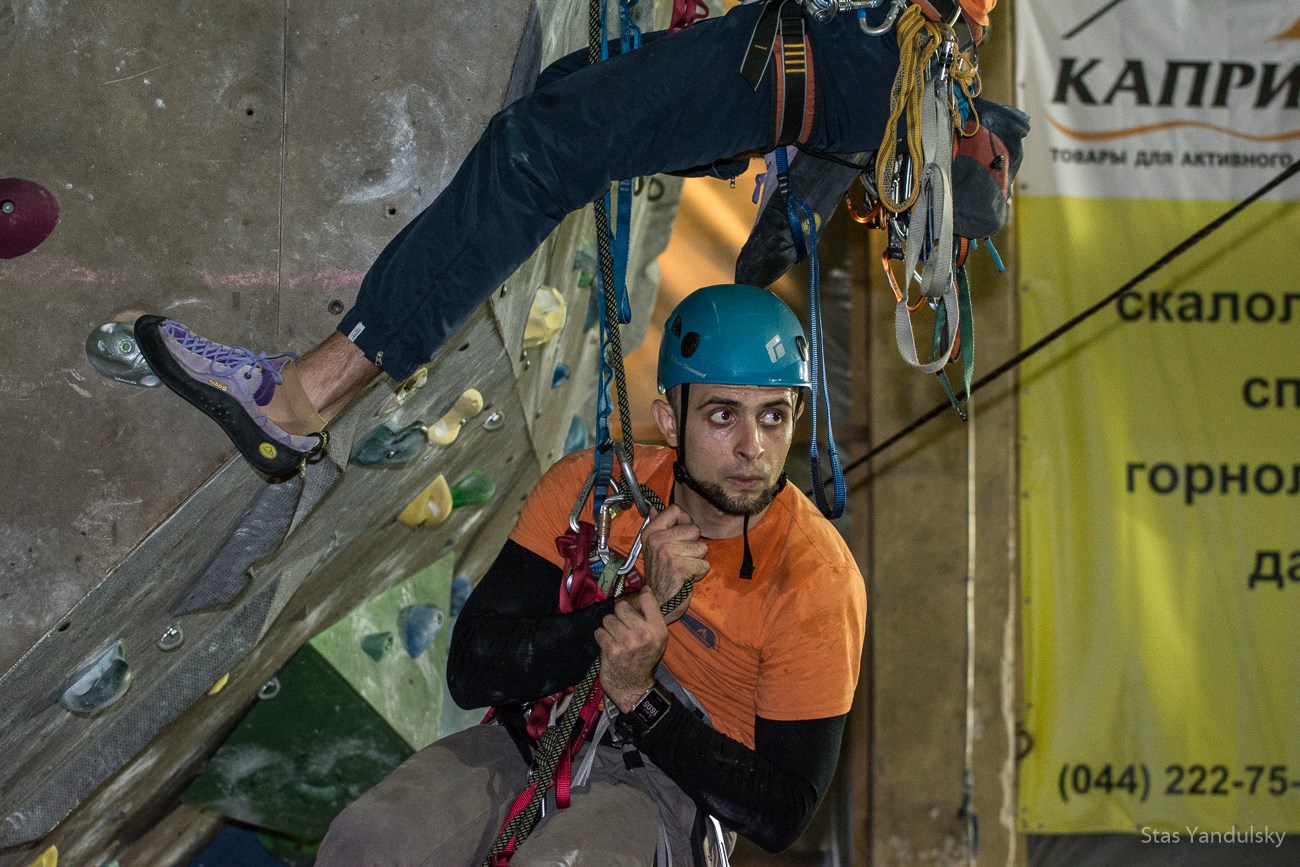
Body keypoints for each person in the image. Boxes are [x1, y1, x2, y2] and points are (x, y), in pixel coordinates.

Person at [133, 0, 994, 479]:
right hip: (841, 48)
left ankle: (299, 399)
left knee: (538, 155)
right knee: (571, 93)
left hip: (845, 48)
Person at [313, 284, 867, 865]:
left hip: (663, 790)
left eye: (773, 416)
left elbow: (784, 814)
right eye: (722, 414)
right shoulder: (591, 490)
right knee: (368, 843)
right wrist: (629, 608)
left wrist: (637, 694)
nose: (752, 447)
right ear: (670, 421)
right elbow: (472, 667)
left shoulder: (816, 584)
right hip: (537, 734)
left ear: (797, 418)